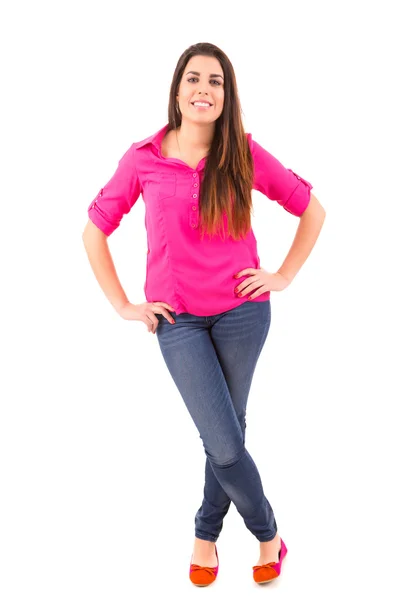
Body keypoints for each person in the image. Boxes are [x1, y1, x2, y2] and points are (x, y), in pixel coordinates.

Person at [82, 42, 326, 586]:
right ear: (176, 90)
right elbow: (94, 230)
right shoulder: (143, 157)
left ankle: (204, 538)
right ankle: (268, 534)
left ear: (226, 95)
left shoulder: (242, 152)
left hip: (244, 314)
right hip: (178, 322)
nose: (203, 89)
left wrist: (282, 276)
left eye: (215, 82)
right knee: (224, 439)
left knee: (226, 435)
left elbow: (311, 208)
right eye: (193, 79)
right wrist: (125, 305)